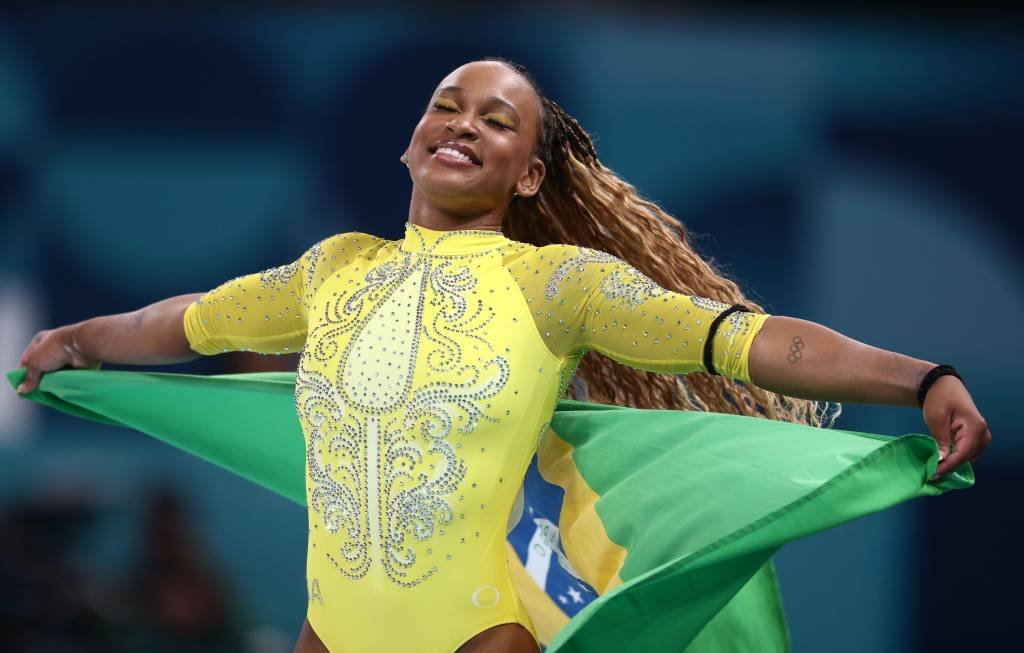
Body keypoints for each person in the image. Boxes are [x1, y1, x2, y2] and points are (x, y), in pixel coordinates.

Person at [15, 57, 991, 653]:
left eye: (497, 118)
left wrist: (921, 376)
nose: (463, 125)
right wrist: (76, 340)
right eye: (448, 105)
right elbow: (189, 322)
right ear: (411, 141)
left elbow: (752, 339)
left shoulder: (554, 284)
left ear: (528, 172)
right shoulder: (333, 272)